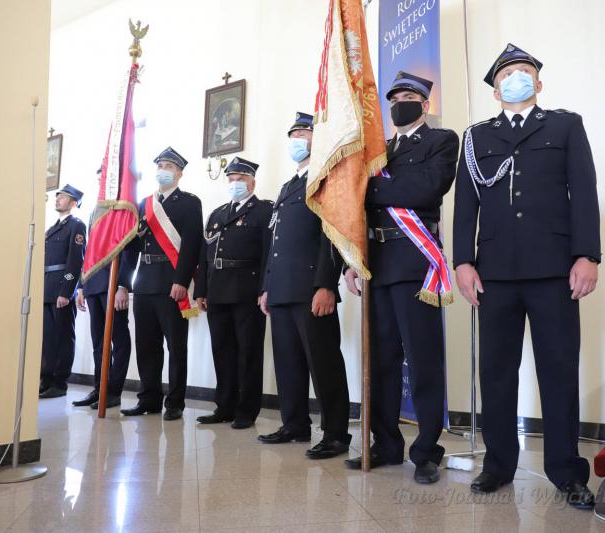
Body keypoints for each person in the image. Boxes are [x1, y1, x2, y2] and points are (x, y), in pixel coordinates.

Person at [452, 43, 601, 509]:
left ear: (538, 83)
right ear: (496, 91)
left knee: (558, 370)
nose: (515, 77)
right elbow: (466, 205)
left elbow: (585, 192)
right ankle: (498, 465)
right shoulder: (475, 137)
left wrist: (587, 255)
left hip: (554, 269)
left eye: (524, 71)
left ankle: (567, 472)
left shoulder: (564, 125)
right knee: (496, 372)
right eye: (506, 74)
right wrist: (462, 261)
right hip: (494, 273)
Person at [343, 72, 459, 484]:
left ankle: (426, 450)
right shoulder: (378, 150)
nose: (399, 104)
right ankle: (386, 444)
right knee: (381, 361)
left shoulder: (441, 141)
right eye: (394, 99)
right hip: (376, 263)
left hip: (414, 262)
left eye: (409, 97)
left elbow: (426, 189)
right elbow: (355, 208)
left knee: (423, 359)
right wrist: (352, 260)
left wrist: (371, 191)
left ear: (424, 105)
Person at [257, 112, 351, 460]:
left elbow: (332, 235)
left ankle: (336, 433)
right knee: (287, 363)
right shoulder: (287, 187)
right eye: (294, 134)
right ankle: (294, 424)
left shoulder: (325, 178)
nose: (298, 139)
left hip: (311, 289)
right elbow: (275, 243)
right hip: (282, 290)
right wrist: (267, 286)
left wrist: (326, 284)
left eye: (305, 133)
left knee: (324, 363)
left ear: (318, 138)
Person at [121, 147, 204, 421]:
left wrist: (181, 280)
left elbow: (192, 245)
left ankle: (175, 402)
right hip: (144, 282)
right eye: (160, 166)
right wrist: (124, 284)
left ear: (179, 173)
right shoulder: (144, 205)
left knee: (176, 346)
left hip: (172, 283)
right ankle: (149, 399)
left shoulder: (189, 202)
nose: (163, 170)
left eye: (169, 166)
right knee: (146, 345)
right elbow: (131, 249)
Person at [193, 157, 273, 429]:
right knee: (222, 350)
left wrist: (265, 289)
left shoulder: (264, 211)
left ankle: (246, 410)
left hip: (247, 291)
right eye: (232, 179)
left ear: (252, 183)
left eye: (241, 179)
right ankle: (224, 406)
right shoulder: (217, 214)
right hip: (217, 290)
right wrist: (201, 290)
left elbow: (268, 254)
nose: (235, 183)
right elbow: (204, 256)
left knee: (248, 352)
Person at [73, 166, 136, 410]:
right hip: (94, 282)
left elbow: (129, 250)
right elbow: (89, 251)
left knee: (118, 339)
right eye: (99, 178)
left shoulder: (124, 207)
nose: (102, 182)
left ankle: (113, 391)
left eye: (105, 178)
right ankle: (99, 388)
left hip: (113, 282)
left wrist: (123, 285)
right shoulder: (96, 210)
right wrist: (81, 285)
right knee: (99, 341)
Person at [40, 184, 86, 399]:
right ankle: (46, 379)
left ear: (73, 202)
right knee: (48, 338)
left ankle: (59, 383)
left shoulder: (76, 226)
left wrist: (66, 292)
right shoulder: (52, 229)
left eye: (63, 197)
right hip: (47, 287)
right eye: (57, 196)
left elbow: (75, 262)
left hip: (61, 289)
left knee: (63, 338)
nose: (57, 199)